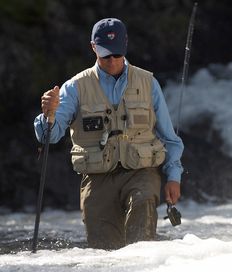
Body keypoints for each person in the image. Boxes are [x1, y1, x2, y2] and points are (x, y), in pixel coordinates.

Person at [34, 18, 184, 250]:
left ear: (125, 45)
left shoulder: (148, 83)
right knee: (105, 253)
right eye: (105, 55)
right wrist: (48, 114)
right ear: (93, 47)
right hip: (97, 178)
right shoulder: (74, 87)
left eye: (117, 54)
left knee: (142, 220)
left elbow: (169, 137)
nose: (112, 60)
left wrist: (173, 176)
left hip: (141, 173)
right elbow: (50, 136)